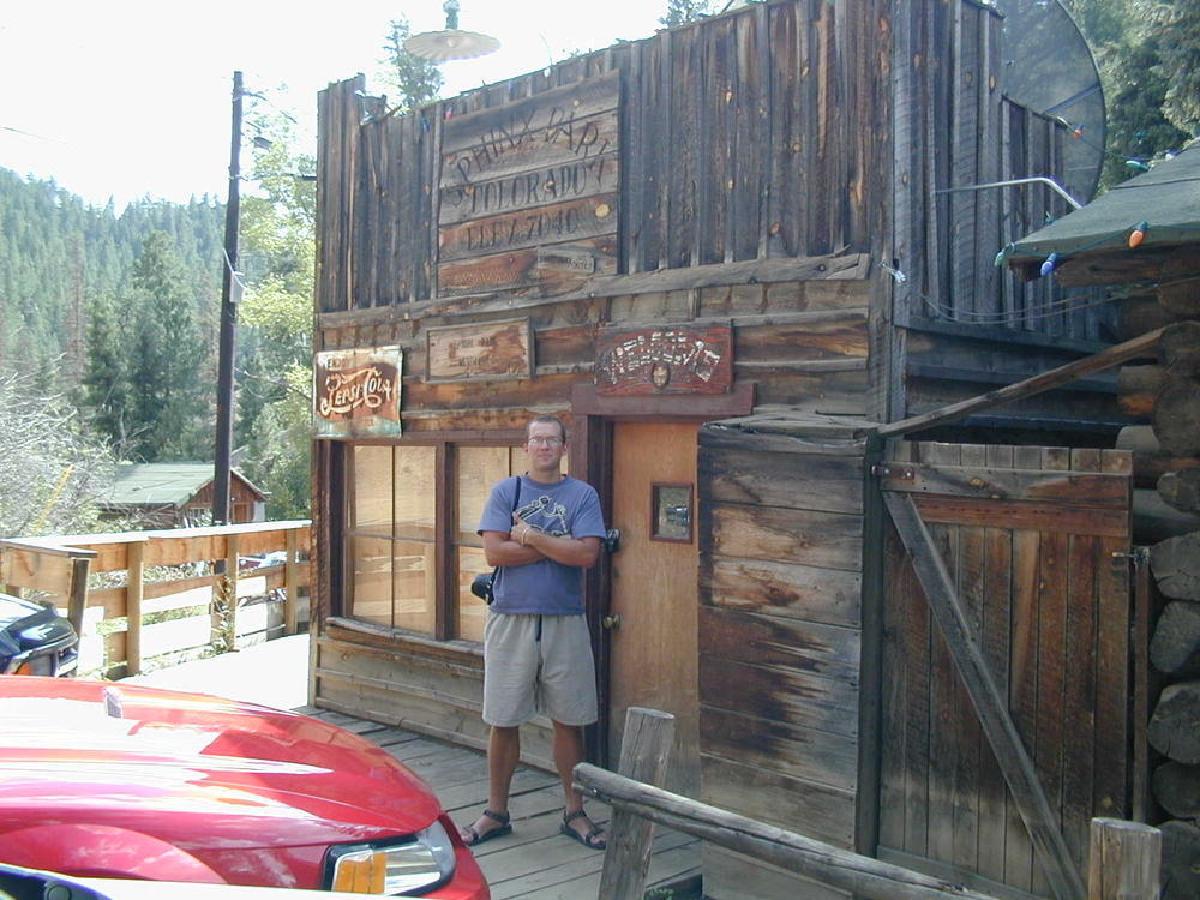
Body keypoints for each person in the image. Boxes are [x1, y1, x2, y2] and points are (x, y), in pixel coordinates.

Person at [458, 415, 609, 851]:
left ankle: (574, 812)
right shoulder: (508, 491)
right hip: (511, 617)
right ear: (526, 447)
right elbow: (493, 551)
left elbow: (586, 555)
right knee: (503, 719)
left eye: (552, 440)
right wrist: (554, 546)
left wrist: (529, 536)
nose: (544, 447)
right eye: (537, 440)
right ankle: (496, 812)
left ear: (564, 448)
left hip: (565, 618)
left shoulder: (583, 495)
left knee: (570, 720)